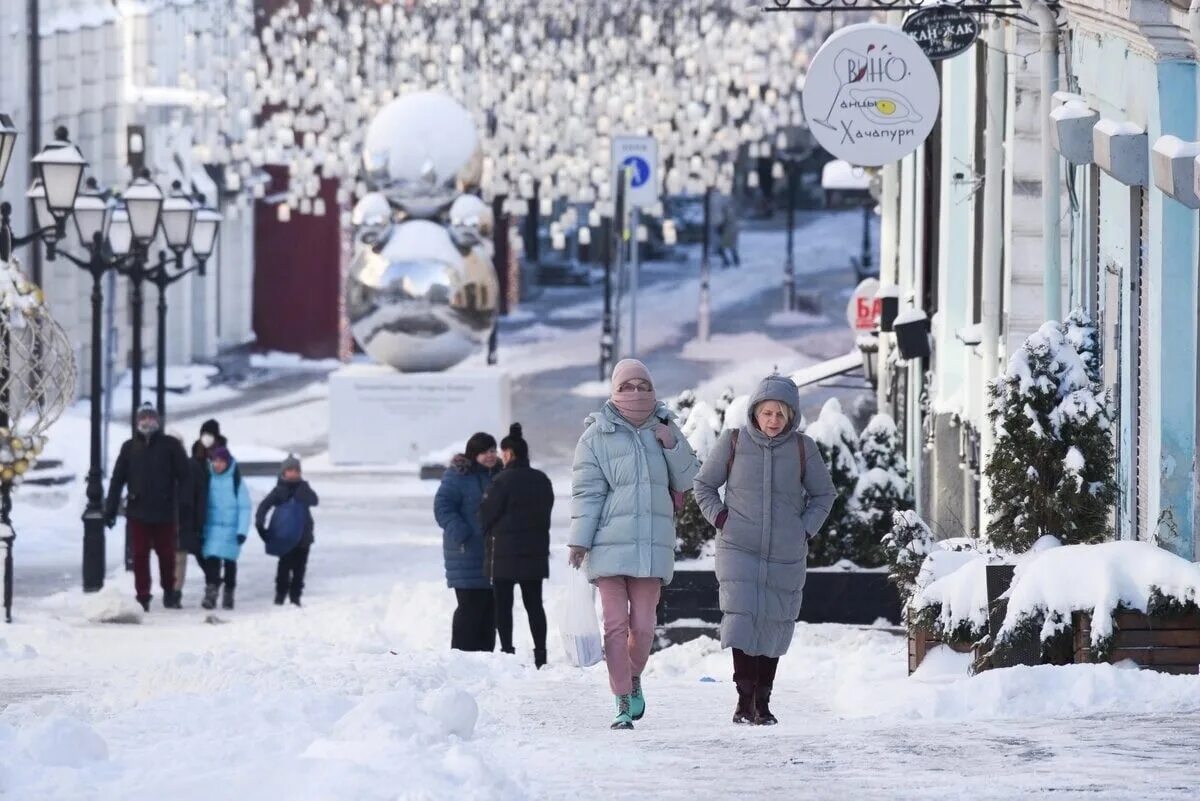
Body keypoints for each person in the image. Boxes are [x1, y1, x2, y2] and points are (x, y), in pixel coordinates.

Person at [692, 375, 836, 726]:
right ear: (755, 412)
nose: (773, 420)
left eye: (781, 415)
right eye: (767, 412)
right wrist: (722, 518)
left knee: (773, 622)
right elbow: (704, 485)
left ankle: (764, 701)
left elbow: (824, 495)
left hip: (785, 551)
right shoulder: (734, 441)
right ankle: (744, 700)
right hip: (738, 547)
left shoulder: (804, 448)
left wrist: (803, 530)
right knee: (742, 619)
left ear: (791, 418)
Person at [568, 359, 700, 730]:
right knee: (614, 625)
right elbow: (586, 492)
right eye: (627, 386)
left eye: (643, 385)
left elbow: (690, 478)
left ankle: (633, 675)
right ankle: (622, 699)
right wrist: (579, 542)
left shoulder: (665, 426)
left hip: (651, 546)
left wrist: (671, 444)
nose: (636, 392)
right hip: (607, 546)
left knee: (642, 627)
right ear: (614, 390)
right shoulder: (597, 435)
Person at [479, 423, 554, 668]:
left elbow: (485, 516)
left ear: (509, 453)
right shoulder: (542, 480)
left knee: (504, 606)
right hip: (534, 553)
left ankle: (507, 651)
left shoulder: (501, 481)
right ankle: (541, 654)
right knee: (535, 605)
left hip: (504, 555)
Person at [104, 404, 191, 612]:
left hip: (164, 510)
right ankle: (142, 595)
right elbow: (117, 480)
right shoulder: (129, 447)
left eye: (151, 418)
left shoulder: (170, 446)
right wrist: (111, 508)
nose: (147, 422)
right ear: (136, 422)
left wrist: (184, 503)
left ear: (158, 421)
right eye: (143, 418)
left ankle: (169, 591)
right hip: (138, 509)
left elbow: (185, 476)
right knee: (140, 554)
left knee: (166, 554)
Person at [434, 432, 501, 652]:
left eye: (493, 450)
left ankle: (485, 655)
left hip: (493, 553)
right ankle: (462, 655)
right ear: (474, 454)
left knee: (490, 607)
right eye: (485, 452)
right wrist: (461, 532)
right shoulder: (457, 476)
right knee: (470, 605)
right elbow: (443, 507)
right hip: (465, 551)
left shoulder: (499, 474)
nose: (490, 455)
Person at [255, 454, 319, 606]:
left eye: (296, 470)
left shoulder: (304, 487)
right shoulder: (279, 490)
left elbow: (315, 500)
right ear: (283, 472)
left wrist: (304, 494)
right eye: (290, 470)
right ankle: (280, 594)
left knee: (300, 569)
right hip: (285, 536)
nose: (293, 473)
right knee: (284, 566)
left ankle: (295, 597)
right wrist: (260, 523)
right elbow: (264, 506)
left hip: (303, 536)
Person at [201, 446, 252, 611]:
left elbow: (245, 507)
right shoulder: (208, 478)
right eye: (215, 461)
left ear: (227, 462)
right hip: (212, 529)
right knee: (211, 563)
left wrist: (242, 531)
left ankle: (229, 592)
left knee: (230, 564)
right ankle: (211, 593)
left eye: (221, 461)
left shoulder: (236, 480)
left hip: (231, 529)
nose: (217, 464)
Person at [170, 436, 210, 607]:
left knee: (179, 556)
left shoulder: (191, 467)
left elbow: (201, 497)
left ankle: (174, 592)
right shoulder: (160, 465)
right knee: (171, 556)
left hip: (185, 518)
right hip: (167, 517)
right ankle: (172, 591)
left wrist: (199, 521)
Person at [718, 199, 740, 268]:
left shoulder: (727, 211)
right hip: (732, 231)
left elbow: (725, 221)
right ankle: (735, 261)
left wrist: (720, 226)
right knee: (731, 247)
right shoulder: (730, 210)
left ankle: (727, 262)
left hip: (729, 231)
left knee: (721, 248)